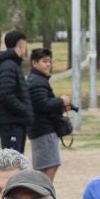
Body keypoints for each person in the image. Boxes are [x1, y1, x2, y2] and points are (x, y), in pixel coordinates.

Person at [25, 47, 75, 182]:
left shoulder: (37, 79)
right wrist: (60, 101)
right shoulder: (37, 81)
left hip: (41, 129)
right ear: (34, 63)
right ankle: (43, 196)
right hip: (43, 130)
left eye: (49, 61)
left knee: (47, 166)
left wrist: (60, 108)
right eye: (44, 61)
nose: (48, 64)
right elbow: (43, 104)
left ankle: (42, 196)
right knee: (49, 166)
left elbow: (41, 106)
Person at [0, 30, 33, 153]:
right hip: (11, 122)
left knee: (17, 162)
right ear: (20, 44)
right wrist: (24, 109)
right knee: (11, 163)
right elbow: (5, 94)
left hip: (16, 121)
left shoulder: (13, 65)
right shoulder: (8, 66)